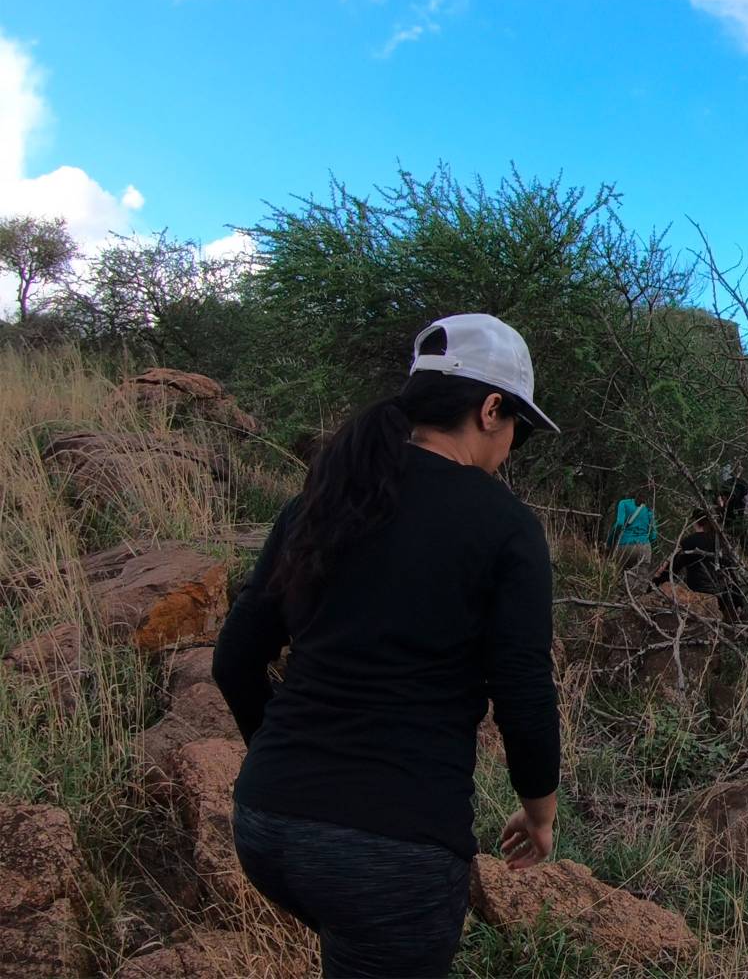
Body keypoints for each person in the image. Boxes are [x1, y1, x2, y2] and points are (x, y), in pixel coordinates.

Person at [212, 314, 562, 979]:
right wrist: (539, 812)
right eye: (516, 423)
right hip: (394, 853)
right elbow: (523, 690)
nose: (513, 444)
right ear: (490, 409)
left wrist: (288, 767)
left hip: (267, 824)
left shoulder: (321, 501)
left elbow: (234, 661)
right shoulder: (506, 526)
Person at [653, 513, 742, 617]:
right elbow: (732, 573)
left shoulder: (690, 541)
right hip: (723, 596)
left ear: (696, 522)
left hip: (698, 593)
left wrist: (655, 582)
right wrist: (739, 602)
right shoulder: (725, 542)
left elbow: (672, 568)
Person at [605, 491, 659, 591]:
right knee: (640, 580)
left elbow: (619, 524)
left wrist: (609, 542)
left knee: (620, 577)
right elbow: (654, 535)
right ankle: (636, 597)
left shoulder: (623, 503)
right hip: (644, 546)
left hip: (625, 545)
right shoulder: (649, 509)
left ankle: (620, 597)